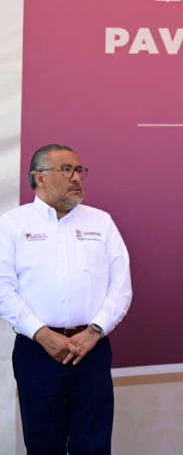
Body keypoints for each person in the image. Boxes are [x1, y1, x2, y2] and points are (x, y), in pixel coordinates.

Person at [0, 143, 132, 454]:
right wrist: (42, 335)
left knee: (94, 445)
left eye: (78, 170)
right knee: (43, 445)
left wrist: (94, 331)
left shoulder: (101, 222)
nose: (76, 177)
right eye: (66, 170)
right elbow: (3, 288)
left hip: (91, 351)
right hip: (36, 352)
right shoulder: (12, 225)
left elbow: (121, 286)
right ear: (39, 178)